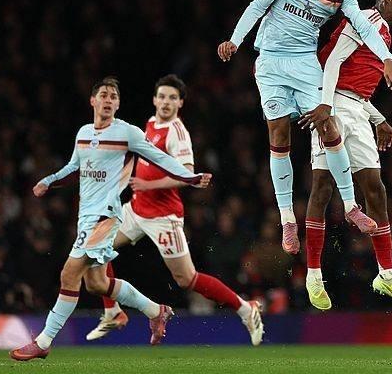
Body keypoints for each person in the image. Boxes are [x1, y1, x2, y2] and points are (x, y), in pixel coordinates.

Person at [217, 0, 392, 254]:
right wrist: (235, 40)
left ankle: (350, 206)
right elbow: (258, 5)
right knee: (279, 135)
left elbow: (364, 27)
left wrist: (387, 58)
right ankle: (288, 219)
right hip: (271, 62)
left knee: (328, 125)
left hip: (305, 63)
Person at [10, 77, 212, 361]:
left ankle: (43, 341)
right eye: (103, 95)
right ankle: (156, 311)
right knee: (96, 283)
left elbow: (159, 157)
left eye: (113, 96)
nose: (108, 99)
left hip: (106, 216)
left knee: (69, 273)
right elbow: (74, 168)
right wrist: (49, 180)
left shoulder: (127, 133)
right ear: (93, 101)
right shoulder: (83, 133)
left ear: (117, 104)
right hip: (86, 217)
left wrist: (189, 177)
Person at [85, 75, 263, 345]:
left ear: (180, 103)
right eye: (162, 97)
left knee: (186, 279)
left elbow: (187, 174)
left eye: (172, 98)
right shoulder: (151, 123)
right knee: (96, 246)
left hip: (163, 217)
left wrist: (148, 184)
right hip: (136, 209)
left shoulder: (177, 132)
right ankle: (112, 311)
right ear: (154, 99)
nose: (166, 102)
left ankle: (245, 308)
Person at [297, 0, 392, 310]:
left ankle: (386, 274)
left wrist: (379, 119)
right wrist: (324, 104)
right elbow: (333, 61)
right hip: (332, 103)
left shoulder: (383, 33)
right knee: (322, 187)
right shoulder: (367, 19)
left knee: (375, 189)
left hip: (357, 109)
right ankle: (314, 275)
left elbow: (356, 89)